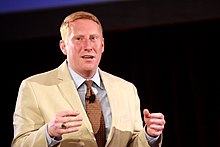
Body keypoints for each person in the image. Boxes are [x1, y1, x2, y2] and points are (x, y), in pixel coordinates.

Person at [12, 11, 166, 147]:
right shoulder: (34, 87)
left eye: (93, 38)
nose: (88, 46)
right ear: (63, 46)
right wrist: (49, 133)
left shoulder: (126, 89)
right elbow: (20, 144)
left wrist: (149, 135)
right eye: (78, 39)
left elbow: (133, 143)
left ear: (102, 45)